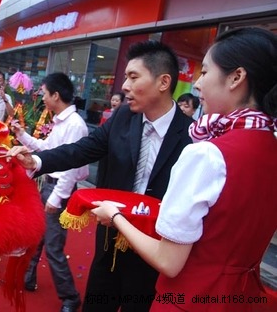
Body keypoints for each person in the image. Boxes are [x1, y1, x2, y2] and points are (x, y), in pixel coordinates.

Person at [91, 27, 277, 311]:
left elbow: (169, 261)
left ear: (236, 77)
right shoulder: (268, 145)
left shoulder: (207, 153)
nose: (198, 84)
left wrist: (115, 215)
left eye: (205, 72)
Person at [9, 40, 194, 311]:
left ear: (163, 82)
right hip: (110, 232)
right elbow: (83, 149)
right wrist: (36, 159)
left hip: (154, 245)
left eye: (133, 77)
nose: (125, 86)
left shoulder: (191, 135)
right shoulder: (123, 118)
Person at [11, 72, 89, 312]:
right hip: (50, 185)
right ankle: (28, 278)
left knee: (54, 246)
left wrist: (57, 197)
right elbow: (48, 150)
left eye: (44, 93)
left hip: (59, 189)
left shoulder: (75, 125)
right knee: (37, 237)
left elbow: (71, 166)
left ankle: (70, 297)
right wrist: (22, 135)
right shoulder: (62, 122)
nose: (42, 98)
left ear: (56, 95)